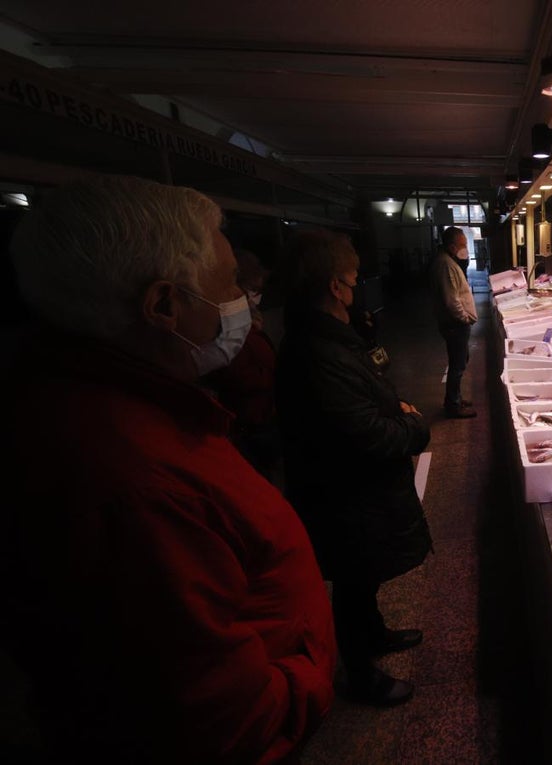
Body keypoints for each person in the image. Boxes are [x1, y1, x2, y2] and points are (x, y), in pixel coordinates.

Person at [0, 174, 335, 763]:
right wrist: (305, 678)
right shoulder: (129, 478)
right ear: (162, 305)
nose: (243, 300)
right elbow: (214, 714)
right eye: (230, 282)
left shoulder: (118, 402)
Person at [276, 229, 431, 708]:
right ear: (333, 286)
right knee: (352, 579)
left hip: (356, 495)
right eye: (353, 277)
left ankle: (376, 633)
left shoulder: (332, 338)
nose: (359, 284)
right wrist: (413, 429)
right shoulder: (315, 353)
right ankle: (361, 675)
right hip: (346, 496)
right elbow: (365, 435)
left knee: (363, 580)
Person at [205, 247, 281, 482]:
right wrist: (275, 376)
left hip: (261, 415)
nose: (252, 295)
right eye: (251, 289)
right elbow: (232, 373)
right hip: (249, 421)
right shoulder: (223, 329)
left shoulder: (250, 321)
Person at [430, 226, 478, 418]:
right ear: (451, 246)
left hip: (454, 324)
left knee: (460, 360)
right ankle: (453, 405)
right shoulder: (446, 265)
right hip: (455, 324)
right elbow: (451, 300)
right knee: (457, 364)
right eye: (462, 245)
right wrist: (464, 318)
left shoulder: (449, 261)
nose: (465, 248)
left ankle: (455, 397)